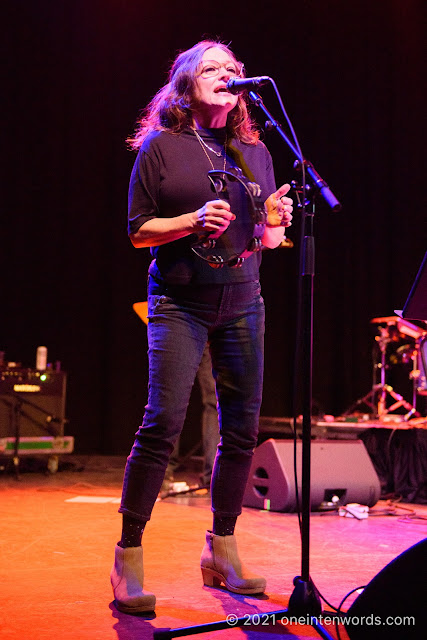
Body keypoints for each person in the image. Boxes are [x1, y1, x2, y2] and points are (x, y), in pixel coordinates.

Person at [110, 39, 293, 614]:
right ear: (186, 84)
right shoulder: (161, 148)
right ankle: (128, 556)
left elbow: (265, 241)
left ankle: (223, 546)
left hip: (243, 298)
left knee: (241, 430)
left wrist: (273, 223)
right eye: (211, 68)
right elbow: (139, 232)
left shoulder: (253, 150)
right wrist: (191, 221)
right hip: (180, 301)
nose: (226, 75)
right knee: (163, 421)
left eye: (232, 69)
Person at [163, 342, 219, 490]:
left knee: (216, 401)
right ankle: (162, 472)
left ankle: (214, 477)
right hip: (180, 330)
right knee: (171, 398)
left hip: (208, 332)